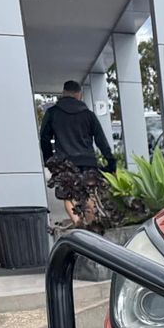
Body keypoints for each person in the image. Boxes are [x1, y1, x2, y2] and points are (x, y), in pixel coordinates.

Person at [39, 80, 116, 228]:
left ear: (64, 93)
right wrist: (110, 161)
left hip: (64, 163)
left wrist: (49, 160)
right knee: (89, 195)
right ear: (79, 95)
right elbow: (101, 140)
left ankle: (78, 223)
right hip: (88, 162)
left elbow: (44, 139)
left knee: (68, 196)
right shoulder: (88, 115)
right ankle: (90, 224)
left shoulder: (52, 113)